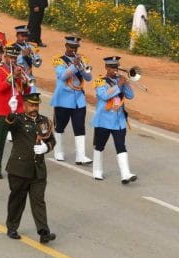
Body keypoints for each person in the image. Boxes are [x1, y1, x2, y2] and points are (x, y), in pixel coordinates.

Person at [4, 92, 57, 244]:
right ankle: (12, 227)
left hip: (38, 169)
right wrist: (12, 112)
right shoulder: (19, 120)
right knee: (17, 200)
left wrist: (46, 148)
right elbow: (8, 125)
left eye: (36, 105)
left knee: (39, 201)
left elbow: (52, 140)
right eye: (31, 105)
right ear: (25, 105)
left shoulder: (44, 121)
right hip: (19, 169)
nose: (34, 108)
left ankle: (43, 232)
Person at [91, 57, 137, 184]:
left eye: (116, 67)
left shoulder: (120, 80)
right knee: (100, 146)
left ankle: (125, 174)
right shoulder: (100, 81)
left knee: (121, 146)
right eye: (112, 67)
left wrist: (126, 83)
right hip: (104, 120)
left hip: (119, 120)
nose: (114, 70)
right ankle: (97, 171)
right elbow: (104, 96)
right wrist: (119, 85)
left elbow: (130, 96)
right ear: (106, 68)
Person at [50, 36, 93, 164]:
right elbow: (63, 76)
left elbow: (89, 78)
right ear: (66, 46)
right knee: (60, 126)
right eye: (71, 47)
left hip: (79, 99)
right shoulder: (58, 60)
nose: (73, 49)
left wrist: (82, 67)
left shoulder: (83, 59)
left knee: (80, 127)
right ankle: (58, 151)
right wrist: (74, 66)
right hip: (63, 98)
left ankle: (81, 156)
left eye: (76, 47)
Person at [0, 46, 31, 179]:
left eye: (15, 57)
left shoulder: (21, 69)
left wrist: (25, 83)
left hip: (18, 110)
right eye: (10, 57)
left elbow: (26, 92)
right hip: (1, 110)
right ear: (5, 56)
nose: (13, 60)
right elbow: (0, 88)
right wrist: (13, 76)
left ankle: (17, 167)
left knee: (21, 141)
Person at [11, 25, 42, 92]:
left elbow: (37, 65)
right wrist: (22, 55)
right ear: (17, 35)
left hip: (29, 76)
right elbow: (10, 62)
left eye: (26, 36)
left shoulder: (32, 47)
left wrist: (35, 58)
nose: (24, 38)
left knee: (32, 97)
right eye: (22, 36)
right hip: (17, 76)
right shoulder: (11, 47)